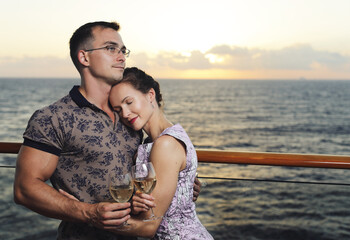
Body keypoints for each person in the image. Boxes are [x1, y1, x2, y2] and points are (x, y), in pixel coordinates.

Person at [13, 21, 201, 240]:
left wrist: (180, 186)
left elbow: (149, 173)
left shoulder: (130, 119)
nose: (121, 56)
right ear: (84, 57)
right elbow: (24, 188)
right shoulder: (53, 118)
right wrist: (87, 213)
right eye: (111, 48)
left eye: (123, 51)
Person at [109, 67, 213, 239]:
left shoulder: (165, 144)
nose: (125, 114)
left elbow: (149, 227)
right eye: (118, 110)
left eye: (129, 102)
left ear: (150, 95)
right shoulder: (152, 141)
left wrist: (90, 216)